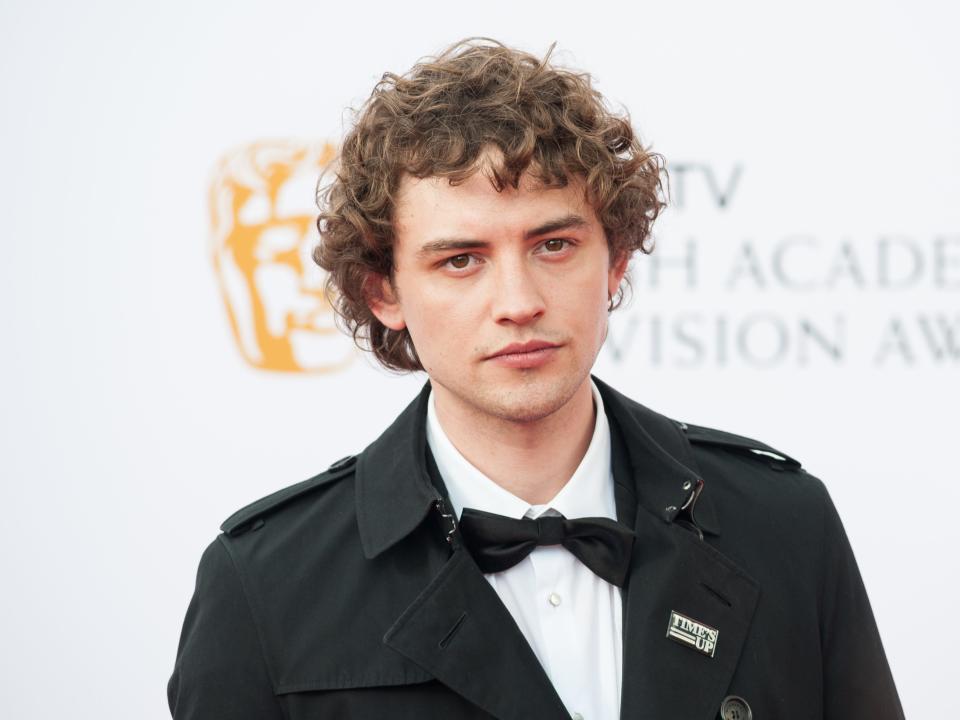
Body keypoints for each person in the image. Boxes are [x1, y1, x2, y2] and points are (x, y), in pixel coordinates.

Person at [168, 39, 904, 720]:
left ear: (615, 260)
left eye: (553, 245)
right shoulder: (263, 584)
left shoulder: (784, 523)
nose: (519, 302)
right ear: (382, 291)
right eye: (461, 260)